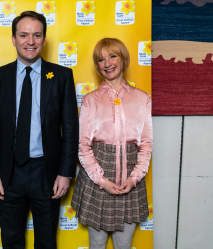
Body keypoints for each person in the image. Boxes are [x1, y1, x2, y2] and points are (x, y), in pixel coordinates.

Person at [0, 11, 79, 249]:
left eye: (37, 35)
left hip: (46, 173)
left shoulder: (61, 76)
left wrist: (65, 173)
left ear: (44, 39)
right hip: (8, 173)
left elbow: (70, 129)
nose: (30, 41)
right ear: (14, 39)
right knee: (11, 240)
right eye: (24, 35)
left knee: (46, 241)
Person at [71, 38, 152, 249]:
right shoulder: (90, 100)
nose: (107, 63)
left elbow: (145, 144)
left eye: (112, 56)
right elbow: (82, 145)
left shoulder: (143, 99)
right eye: (101, 59)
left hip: (130, 178)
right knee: (96, 245)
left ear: (123, 58)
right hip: (97, 176)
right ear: (97, 66)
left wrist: (134, 178)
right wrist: (102, 181)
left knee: (123, 246)